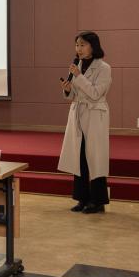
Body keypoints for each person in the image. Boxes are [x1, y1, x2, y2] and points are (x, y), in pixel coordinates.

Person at [58, 31, 112, 214]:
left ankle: (98, 201)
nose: (78, 49)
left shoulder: (104, 68)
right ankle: (82, 198)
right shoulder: (77, 65)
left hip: (95, 115)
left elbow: (96, 93)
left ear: (93, 46)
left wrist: (79, 77)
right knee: (79, 156)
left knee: (95, 158)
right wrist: (67, 90)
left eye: (82, 45)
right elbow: (74, 94)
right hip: (78, 113)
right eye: (77, 45)